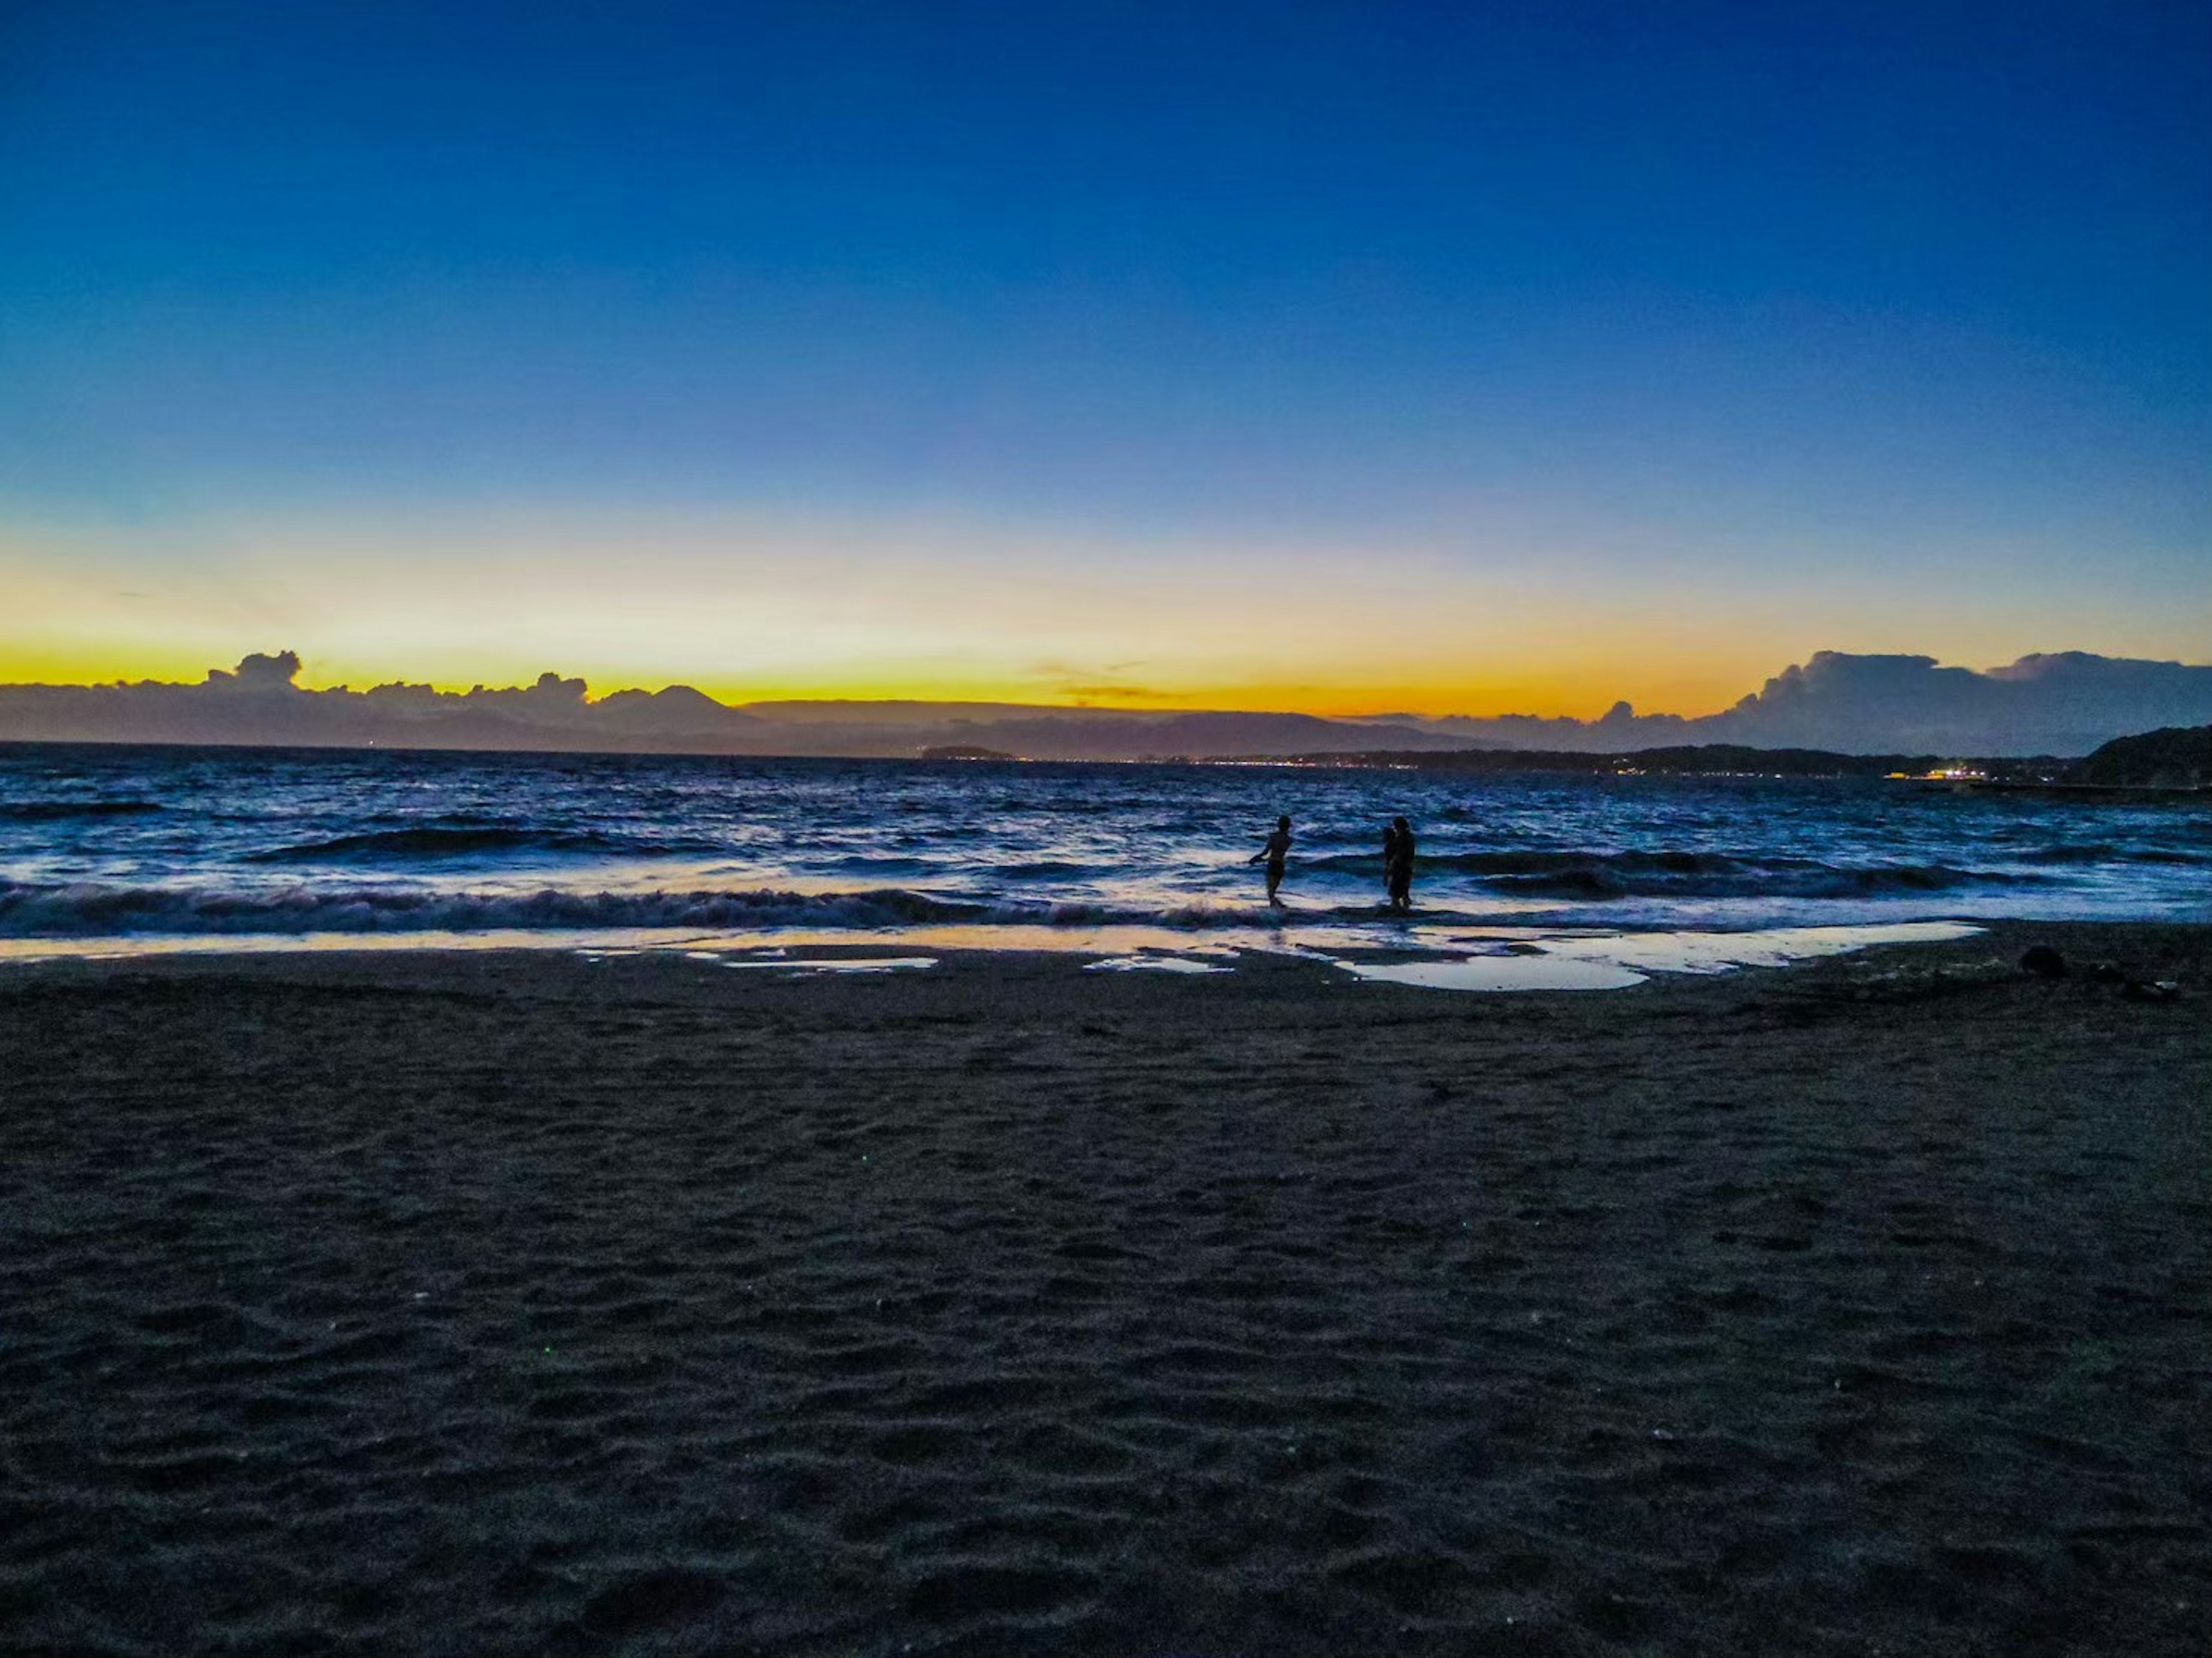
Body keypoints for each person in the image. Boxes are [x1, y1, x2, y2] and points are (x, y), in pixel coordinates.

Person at [1249, 814, 1293, 907]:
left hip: (1273, 865)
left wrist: (1256, 859)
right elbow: (1280, 853)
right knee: (1272, 892)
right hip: (1281, 866)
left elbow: (1265, 853)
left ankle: (1279, 909)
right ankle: (1278, 909)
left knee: (1270, 893)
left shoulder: (1273, 837)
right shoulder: (1289, 840)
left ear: (1279, 825)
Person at [1386, 815, 1415, 912]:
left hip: (1399, 867)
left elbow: (1395, 854)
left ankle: (1397, 909)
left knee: (1395, 891)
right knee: (1405, 890)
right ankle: (1405, 910)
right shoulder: (1409, 837)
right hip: (1407, 866)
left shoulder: (1400, 839)